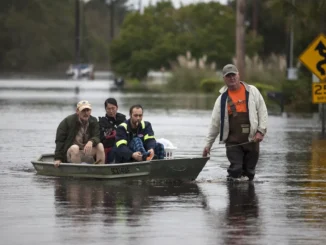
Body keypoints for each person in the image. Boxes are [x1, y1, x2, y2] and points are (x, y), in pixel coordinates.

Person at [202, 64, 268, 181]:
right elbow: (215, 124)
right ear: (224, 79)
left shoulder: (252, 91)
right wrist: (208, 145)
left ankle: (248, 198)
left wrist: (261, 131)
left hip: (252, 140)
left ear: (238, 75)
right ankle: (233, 195)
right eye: (228, 76)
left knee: (249, 173)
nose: (231, 78)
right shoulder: (221, 100)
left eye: (233, 75)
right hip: (233, 142)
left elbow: (263, 112)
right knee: (236, 170)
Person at [54, 100, 105, 167]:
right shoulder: (67, 122)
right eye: (83, 110)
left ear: (90, 111)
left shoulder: (93, 121)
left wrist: (91, 141)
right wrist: (58, 158)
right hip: (71, 153)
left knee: (100, 145)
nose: (86, 113)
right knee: (75, 148)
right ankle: (78, 172)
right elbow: (60, 141)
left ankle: (100, 170)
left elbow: (97, 136)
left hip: (86, 152)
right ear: (77, 111)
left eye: (88, 110)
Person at [98, 98, 126, 163]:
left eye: (113, 108)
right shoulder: (102, 122)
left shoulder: (123, 120)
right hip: (110, 149)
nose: (111, 111)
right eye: (108, 109)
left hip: (124, 146)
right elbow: (101, 138)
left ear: (117, 107)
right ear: (105, 109)